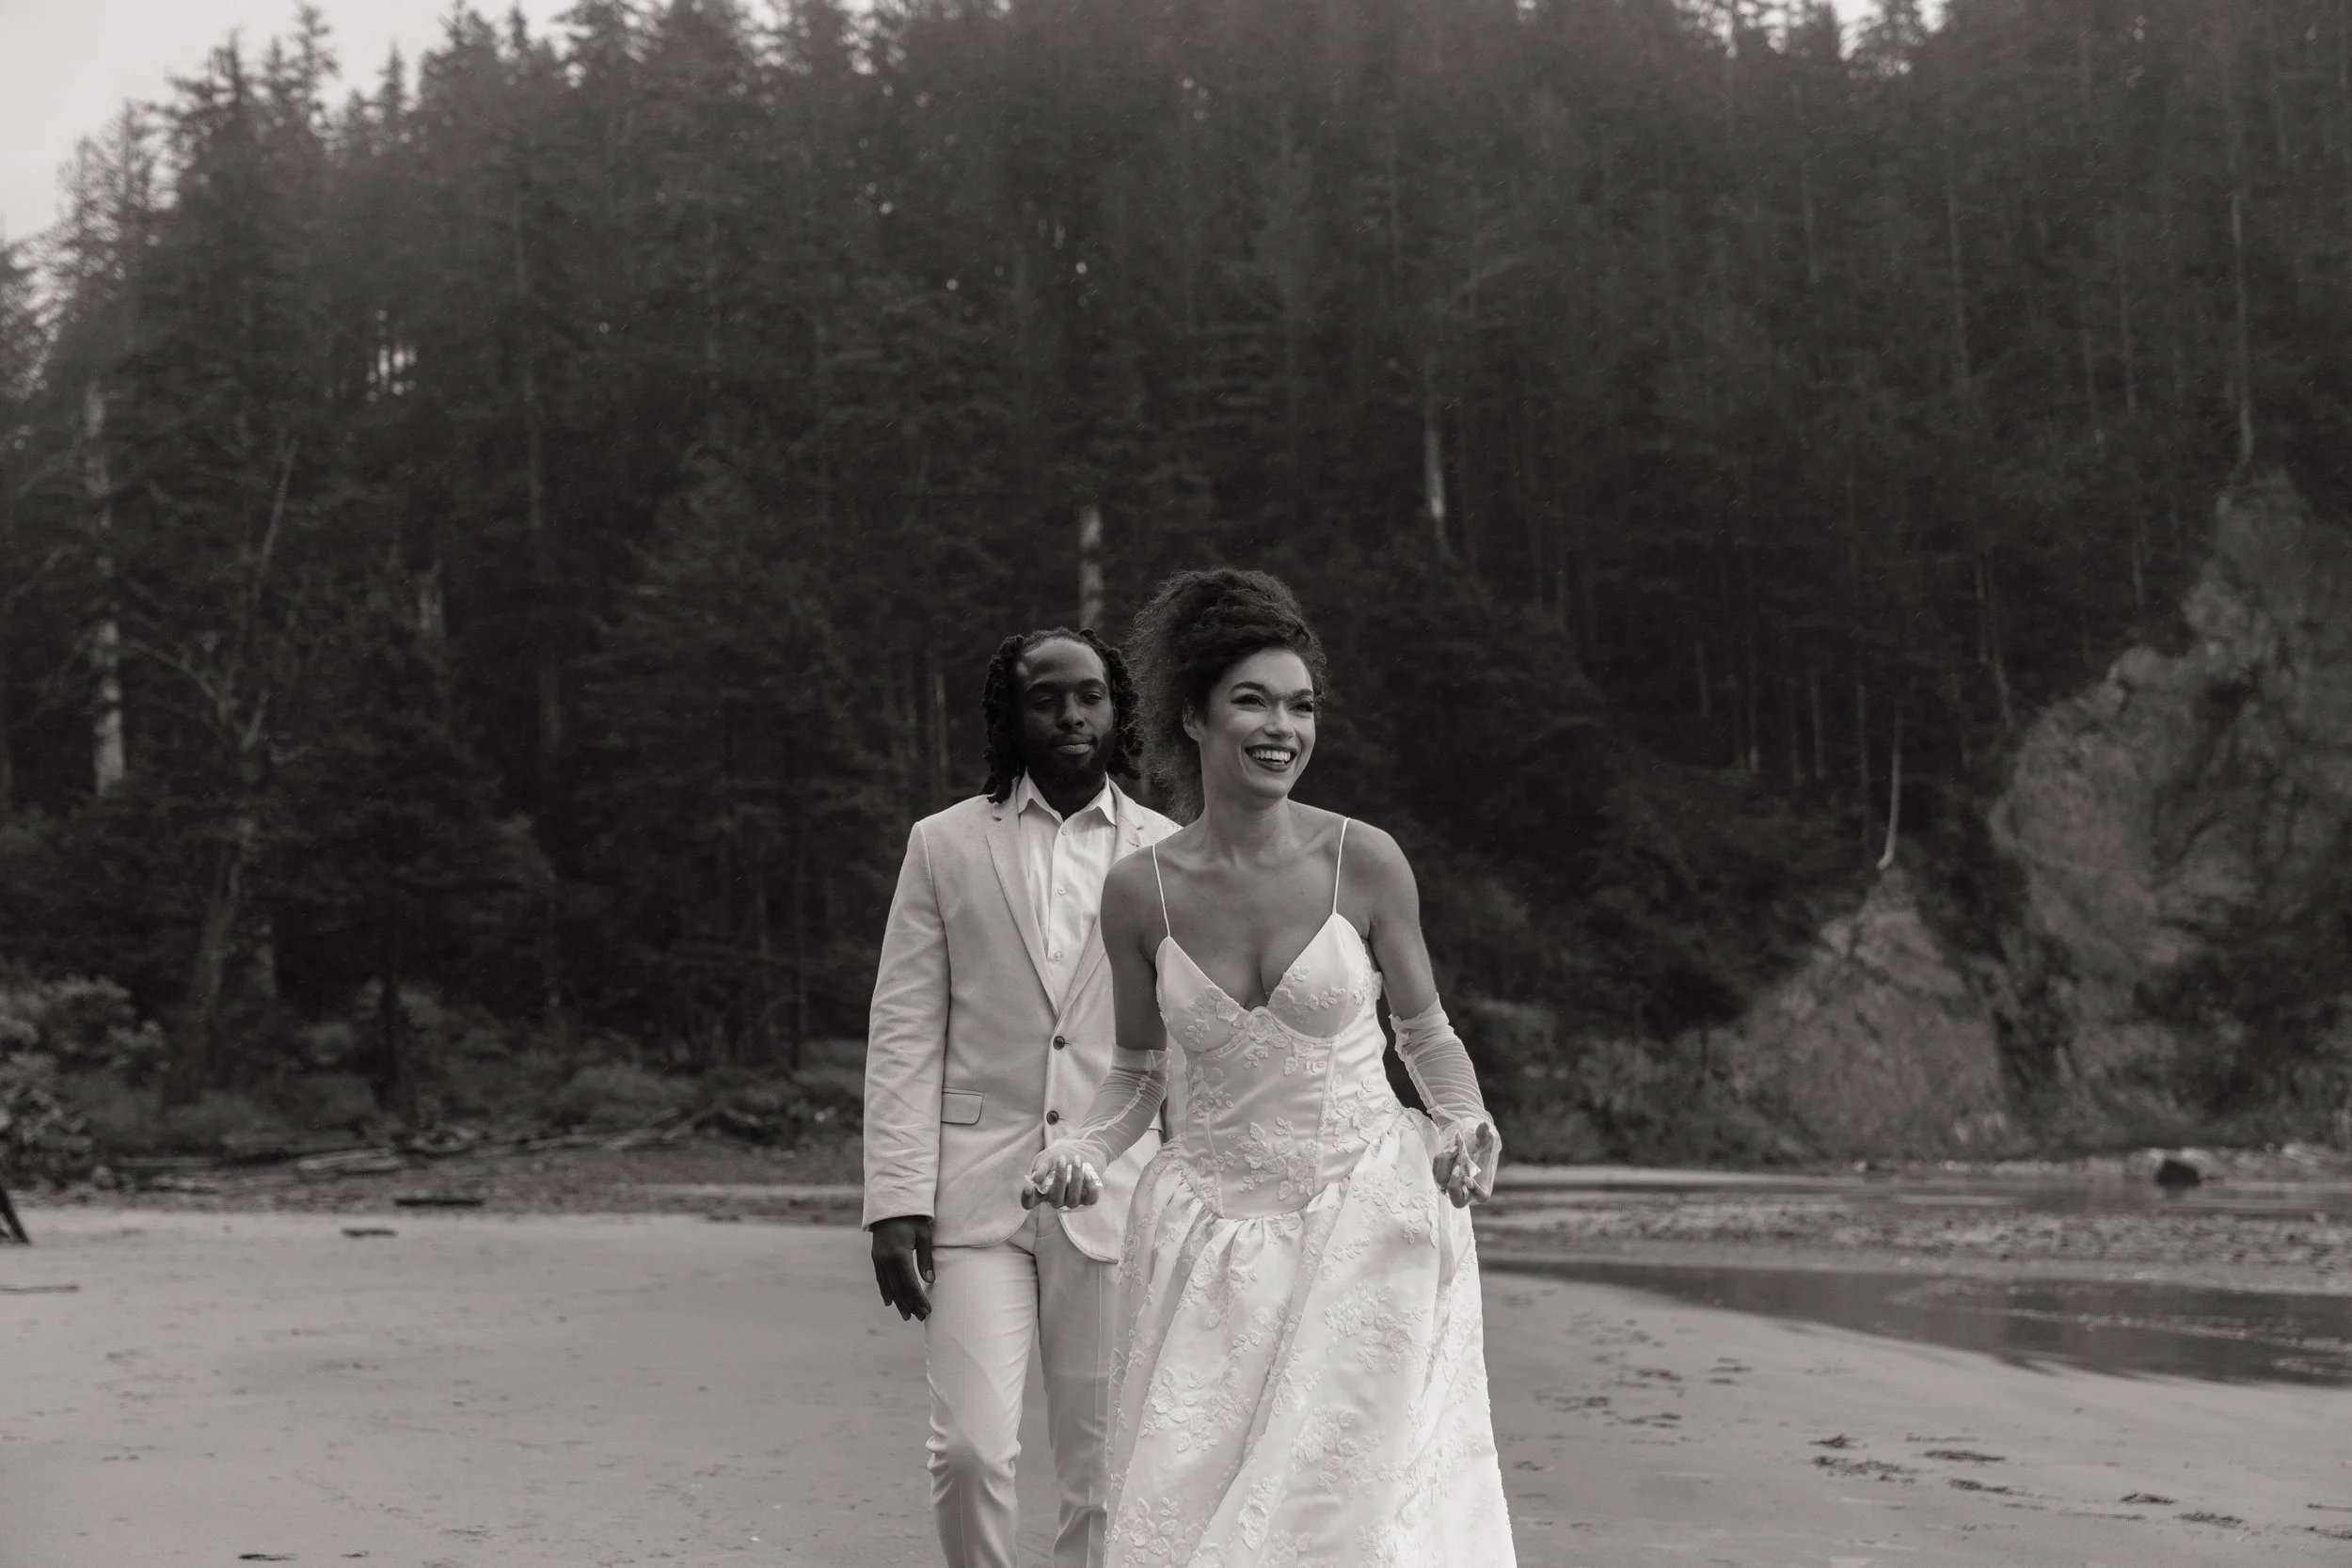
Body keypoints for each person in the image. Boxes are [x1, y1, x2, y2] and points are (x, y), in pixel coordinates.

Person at [1022, 568, 1516, 1565]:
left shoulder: (1364, 859)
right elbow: (1135, 1077)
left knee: (1345, 1512)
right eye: (1251, 699)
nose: (1280, 726)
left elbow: (1424, 1035)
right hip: (1205, 1239)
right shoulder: (1138, 892)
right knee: (1198, 1509)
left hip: (1366, 1214)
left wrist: (1465, 1123)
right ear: (1193, 717)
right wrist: (1078, 1146)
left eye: (1299, 704)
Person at [865, 627, 1182, 1568]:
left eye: (1089, 694)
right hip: (974, 1192)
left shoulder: (1169, 853)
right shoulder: (943, 843)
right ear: (1012, 713)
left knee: (1101, 1468)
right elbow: (903, 1032)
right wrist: (894, 1200)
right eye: (1047, 697)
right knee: (968, 1448)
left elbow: (1187, 1040)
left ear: (1118, 708)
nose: (1071, 714)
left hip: (1117, 1195)